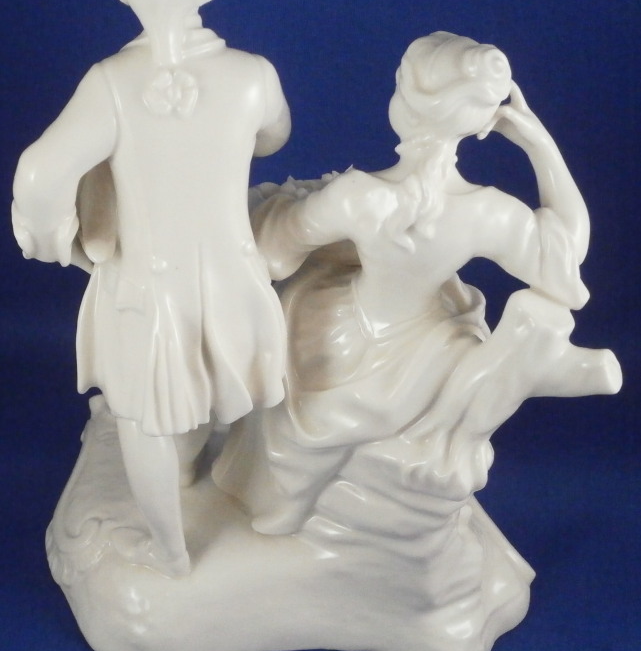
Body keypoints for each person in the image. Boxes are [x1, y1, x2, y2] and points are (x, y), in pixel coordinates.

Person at [213, 31, 620, 534]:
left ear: (401, 107)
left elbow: (273, 251)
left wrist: (276, 207)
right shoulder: (486, 212)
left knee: (289, 344)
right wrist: (540, 146)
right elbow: (564, 255)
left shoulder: (357, 196)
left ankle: (286, 503)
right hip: (429, 352)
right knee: (475, 341)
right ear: (480, 123)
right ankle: (551, 364)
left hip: (342, 338)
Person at [12, 0, 291, 576]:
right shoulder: (253, 76)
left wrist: (55, 237)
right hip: (233, 276)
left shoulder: (110, 85)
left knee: (144, 417)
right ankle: (206, 484)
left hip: (147, 285)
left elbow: (40, 172)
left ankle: (171, 553)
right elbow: (273, 137)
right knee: (218, 385)